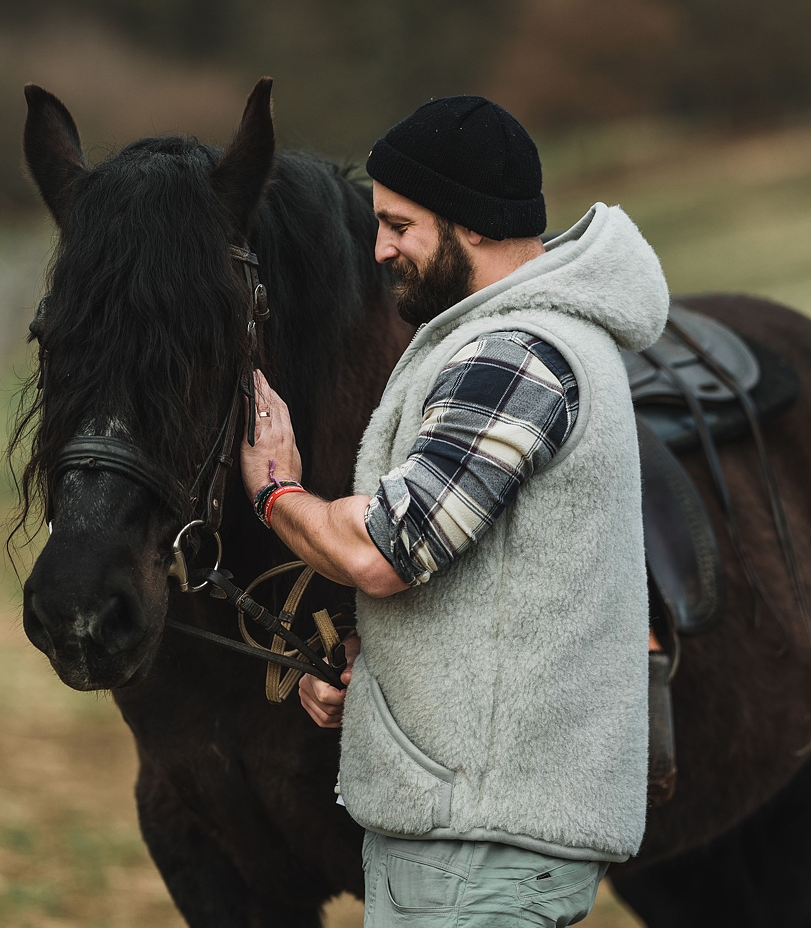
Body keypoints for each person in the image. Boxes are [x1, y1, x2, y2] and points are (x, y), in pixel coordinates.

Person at [240, 95, 669, 927]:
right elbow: (499, 591)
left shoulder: (516, 352)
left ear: (469, 221)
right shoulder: (505, 338)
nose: (380, 249)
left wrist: (275, 488)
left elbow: (383, 553)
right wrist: (391, 672)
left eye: (400, 224)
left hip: (485, 849)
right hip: (463, 834)